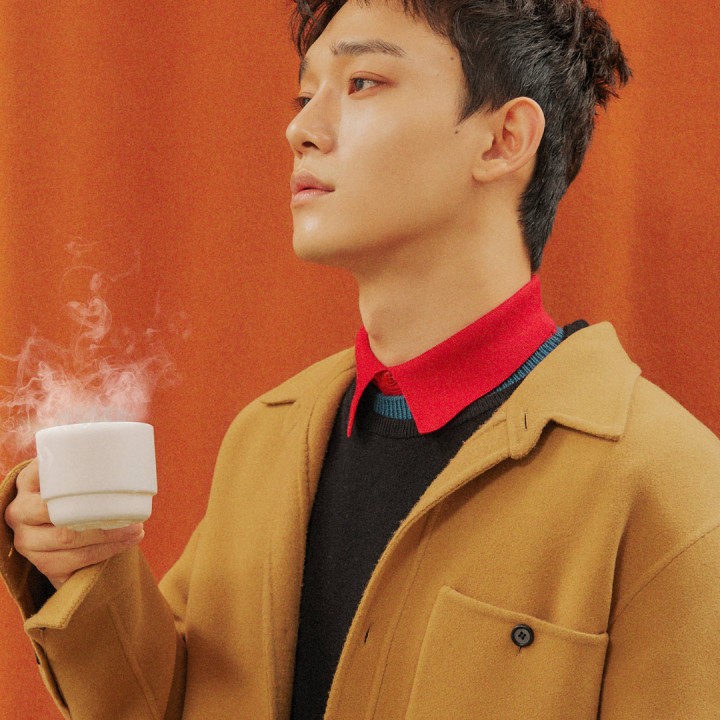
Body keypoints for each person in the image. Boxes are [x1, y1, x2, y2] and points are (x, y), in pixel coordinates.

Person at [2, 0, 719, 718]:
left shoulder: (668, 487)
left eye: (363, 82)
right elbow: (173, 701)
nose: (301, 129)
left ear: (504, 140)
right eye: (305, 96)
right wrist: (84, 569)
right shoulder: (266, 438)